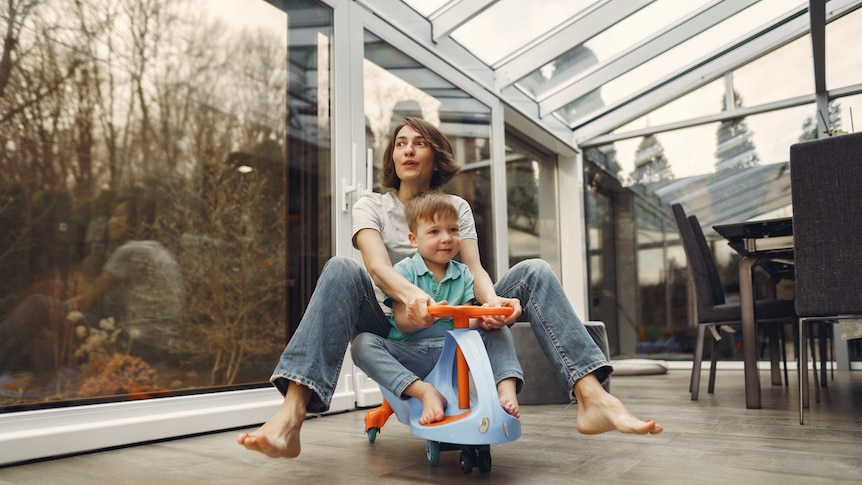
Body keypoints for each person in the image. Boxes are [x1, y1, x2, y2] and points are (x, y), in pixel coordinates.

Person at [238, 117, 661, 460]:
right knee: (339, 268)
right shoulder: (372, 205)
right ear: (392, 156)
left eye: (418, 142)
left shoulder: (456, 208)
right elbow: (376, 266)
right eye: (400, 142)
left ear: (434, 155)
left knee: (534, 269)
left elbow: (475, 268)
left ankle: (591, 396)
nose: (407, 149)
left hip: (452, 316)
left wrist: (493, 302)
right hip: (390, 320)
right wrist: (410, 296)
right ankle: (292, 414)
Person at [350, 190, 522, 424]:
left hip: (452, 351)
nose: (446, 238)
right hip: (411, 351)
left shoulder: (463, 274)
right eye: (434, 232)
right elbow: (401, 322)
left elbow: (467, 317)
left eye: (453, 230)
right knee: (363, 344)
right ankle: (423, 392)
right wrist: (420, 317)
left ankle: (505, 389)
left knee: (498, 330)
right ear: (414, 240)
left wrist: (482, 319)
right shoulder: (404, 271)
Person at [0, 187, 182, 393]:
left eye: (120, 215)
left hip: (136, 344)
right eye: (112, 215)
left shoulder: (130, 251)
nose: (111, 221)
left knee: (36, 305)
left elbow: (85, 300)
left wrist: (53, 315)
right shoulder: (158, 249)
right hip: (157, 349)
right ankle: (28, 389)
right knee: (44, 349)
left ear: (137, 222)